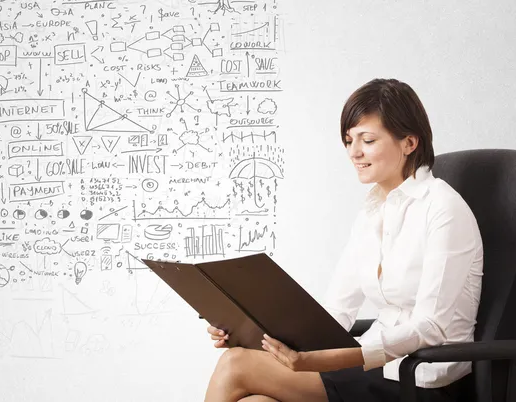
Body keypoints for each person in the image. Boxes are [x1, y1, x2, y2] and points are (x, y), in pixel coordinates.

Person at [204, 78, 484, 402]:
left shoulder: (443, 209)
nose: (354, 152)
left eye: (367, 140)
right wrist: (254, 334)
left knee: (235, 365)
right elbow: (337, 311)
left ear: (409, 142)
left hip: (423, 382)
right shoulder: (372, 213)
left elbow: (430, 327)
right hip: (373, 369)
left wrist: (335, 359)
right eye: (349, 140)